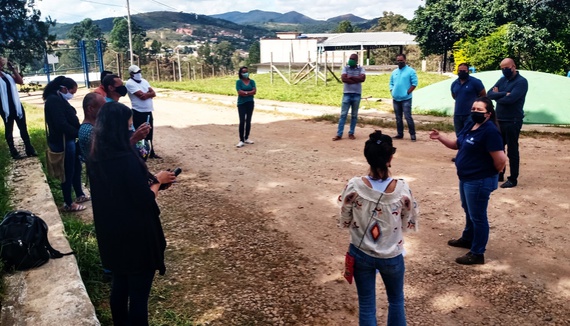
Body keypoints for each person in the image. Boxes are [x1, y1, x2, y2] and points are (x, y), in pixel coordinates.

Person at [88, 101, 176, 325]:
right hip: (136, 237)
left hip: (111, 235)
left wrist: (151, 181)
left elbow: (123, 189)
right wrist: (158, 180)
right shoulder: (126, 160)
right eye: (128, 127)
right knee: (138, 299)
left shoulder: (97, 156)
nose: (131, 130)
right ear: (119, 129)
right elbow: (145, 198)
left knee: (119, 288)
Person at [338, 130, 418, 326]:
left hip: (360, 252)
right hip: (391, 255)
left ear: (368, 158)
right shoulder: (402, 189)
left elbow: (345, 216)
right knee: (396, 301)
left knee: (366, 304)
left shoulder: (354, 186)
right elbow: (409, 219)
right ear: (390, 158)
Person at [430, 97, 507, 265]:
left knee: (478, 216)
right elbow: (457, 144)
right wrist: (440, 137)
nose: (475, 112)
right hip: (466, 178)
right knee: (468, 210)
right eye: (474, 108)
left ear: (488, 113)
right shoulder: (470, 124)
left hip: (479, 180)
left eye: (479, 110)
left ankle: (477, 253)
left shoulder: (490, 131)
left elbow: (501, 160)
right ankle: (468, 238)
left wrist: (490, 173)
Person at [43, 76, 89, 212]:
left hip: (69, 140)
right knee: (67, 172)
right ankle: (68, 202)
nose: (72, 95)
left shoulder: (58, 98)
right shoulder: (53, 101)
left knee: (76, 168)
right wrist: (78, 132)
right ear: (63, 89)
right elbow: (61, 124)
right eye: (72, 92)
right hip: (63, 142)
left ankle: (79, 194)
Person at [487, 58, 528, 188]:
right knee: (498, 148)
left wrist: (498, 95)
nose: (505, 70)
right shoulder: (502, 80)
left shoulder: (521, 82)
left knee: (512, 150)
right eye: (502, 68)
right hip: (499, 120)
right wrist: (504, 94)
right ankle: (499, 173)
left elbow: (511, 99)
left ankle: (513, 178)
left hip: (513, 120)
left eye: (507, 68)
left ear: (514, 67)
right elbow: (489, 94)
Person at [79, 92, 150, 164]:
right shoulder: (89, 131)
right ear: (90, 109)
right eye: (102, 108)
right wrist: (134, 139)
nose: (106, 110)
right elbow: (112, 154)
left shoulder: (96, 127)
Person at [0, 57, 37, 159]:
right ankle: (13, 151)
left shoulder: (7, 76)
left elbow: (20, 81)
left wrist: (14, 70)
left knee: (23, 127)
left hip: (16, 105)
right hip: (4, 107)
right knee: (9, 129)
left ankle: (29, 148)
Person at [450, 63, 486, 162]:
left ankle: (471, 156)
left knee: (470, 135)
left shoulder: (475, 82)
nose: (462, 72)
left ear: (468, 71)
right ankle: (461, 155)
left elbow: (483, 95)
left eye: (464, 70)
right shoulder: (454, 83)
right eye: (460, 70)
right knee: (459, 135)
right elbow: (454, 95)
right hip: (458, 113)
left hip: (470, 114)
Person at [126, 65, 161, 159]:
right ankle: (141, 153)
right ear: (131, 74)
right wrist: (148, 94)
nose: (138, 74)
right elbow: (142, 96)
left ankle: (151, 152)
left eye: (139, 72)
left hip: (148, 110)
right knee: (140, 132)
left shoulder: (144, 81)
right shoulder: (130, 83)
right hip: (138, 111)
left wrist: (147, 94)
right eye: (136, 73)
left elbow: (153, 93)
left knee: (149, 132)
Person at [333, 53, 366, 141]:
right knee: (343, 114)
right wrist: (356, 79)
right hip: (347, 94)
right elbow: (344, 79)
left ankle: (351, 133)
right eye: (350, 58)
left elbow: (363, 79)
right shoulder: (345, 68)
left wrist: (350, 77)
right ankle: (339, 134)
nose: (350, 60)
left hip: (357, 94)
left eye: (352, 59)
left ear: (356, 61)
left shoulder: (361, 69)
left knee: (354, 115)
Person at [389, 54, 418, 141]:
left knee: (408, 117)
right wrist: (392, 91)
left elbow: (414, 83)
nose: (399, 62)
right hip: (396, 99)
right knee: (398, 118)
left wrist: (407, 92)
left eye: (401, 60)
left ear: (405, 60)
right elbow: (391, 83)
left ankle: (412, 135)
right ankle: (400, 134)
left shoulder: (411, 71)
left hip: (406, 99)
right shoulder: (394, 72)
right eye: (398, 60)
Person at [235, 66, 256, 148]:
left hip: (250, 102)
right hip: (241, 103)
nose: (245, 73)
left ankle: (246, 137)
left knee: (248, 120)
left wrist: (245, 93)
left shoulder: (252, 81)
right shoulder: (239, 82)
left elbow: (255, 92)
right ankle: (241, 140)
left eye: (246, 72)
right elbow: (240, 93)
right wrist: (249, 93)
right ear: (241, 73)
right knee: (242, 121)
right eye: (244, 72)